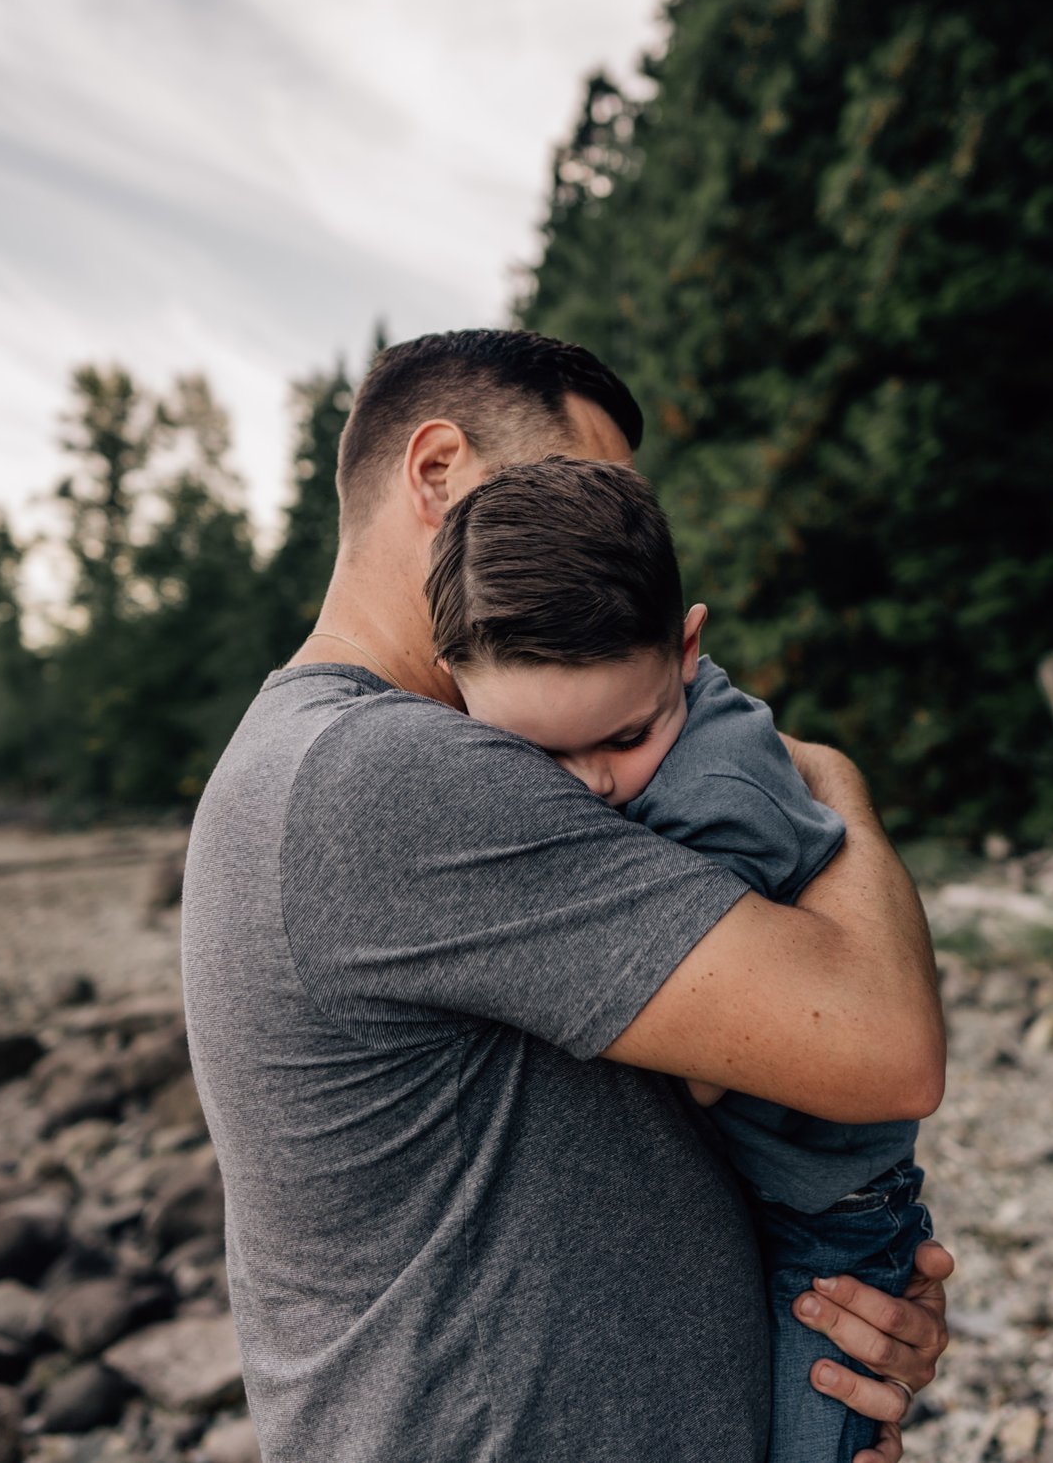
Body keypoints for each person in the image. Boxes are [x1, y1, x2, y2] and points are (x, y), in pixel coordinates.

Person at [182, 329, 952, 1463]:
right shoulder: (392, 773)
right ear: (437, 473)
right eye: (566, 488)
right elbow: (883, 1045)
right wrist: (837, 782)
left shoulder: (318, 763)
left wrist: (834, 1297)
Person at [426, 456, 932, 1463]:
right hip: (775, 1187)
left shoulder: (718, 798)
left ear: (688, 647)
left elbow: (705, 1063)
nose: (592, 786)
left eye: (623, 735)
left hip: (830, 1218)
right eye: (536, 755)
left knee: (823, 1437)